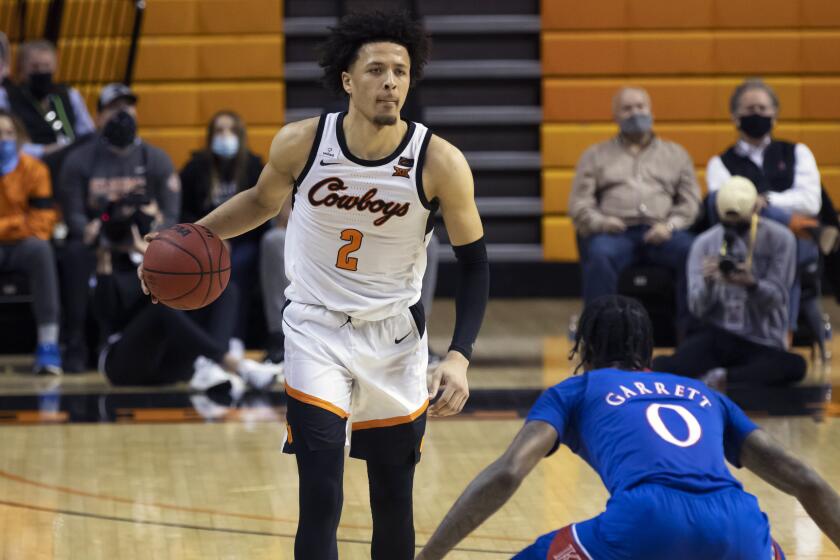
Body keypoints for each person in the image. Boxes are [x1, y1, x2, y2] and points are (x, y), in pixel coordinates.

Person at [140, 11, 489, 560]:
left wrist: (460, 357)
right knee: (321, 493)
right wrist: (185, 238)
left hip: (395, 339)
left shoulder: (440, 161)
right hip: (316, 331)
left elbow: (475, 264)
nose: (390, 82)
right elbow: (258, 203)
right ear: (348, 80)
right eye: (376, 69)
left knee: (394, 497)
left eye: (400, 70)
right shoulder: (303, 143)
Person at [416, 295, 840, 560]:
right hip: (741, 525)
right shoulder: (703, 393)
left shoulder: (577, 389)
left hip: (647, 519)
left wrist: (430, 556)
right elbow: (806, 481)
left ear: (585, 347)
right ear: (647, 349)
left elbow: (508, 472)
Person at [56, 83, 181, 372]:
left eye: (127, 107)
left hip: (143, 242)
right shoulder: (78, 160)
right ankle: (75, 342)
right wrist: (94, 228)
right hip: (98, 240)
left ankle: (153, 343)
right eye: (113, 109)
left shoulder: (157, 159)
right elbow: (73, 214)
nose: (122, 114)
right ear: (98, 117)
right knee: (74, 253)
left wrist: (150, 233)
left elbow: (171, 217)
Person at [93, 202, 281, 393]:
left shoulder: (169, 255)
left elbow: (203, 271)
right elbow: (106, 315)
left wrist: (146, 250)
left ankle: (211, 367)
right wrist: (104, 262)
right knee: (161, 310)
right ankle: (232, 363)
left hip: (172, 364)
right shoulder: (111, 261)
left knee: (225, 289)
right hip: (124, 363)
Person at [653, 176, 806, 389]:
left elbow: (778, 300)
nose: (733, 231)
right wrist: (709, 284)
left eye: (740, 226)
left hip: (762, 340)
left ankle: (724, 377)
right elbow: (696, 309)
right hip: (717, 336)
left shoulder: (781, 239)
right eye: (727, 225)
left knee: (795, 366)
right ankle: (730, 377)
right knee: (662, 365)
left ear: (756, 210)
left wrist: (751, 284)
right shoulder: (704, 243)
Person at [706, 78, 825, 349]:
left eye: (763, 108)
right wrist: (764, 206)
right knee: (786, 236)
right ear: (735, 117)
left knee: (787, 243)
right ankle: (800, 225)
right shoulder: (720, 163)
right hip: (742, 238)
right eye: (749, 109)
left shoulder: (797, 152)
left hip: (792, 244)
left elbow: (810, 201)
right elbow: (725, 206)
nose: (757, 114)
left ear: (774, 114)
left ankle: (783, 335)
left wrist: (766, 201)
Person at [569, 86, 700, 328]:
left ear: (652, 112)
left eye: (641, 107)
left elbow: (690, 202)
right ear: (615, 116)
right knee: (600, 255)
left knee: (692, 251)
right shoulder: (595, 155)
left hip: (663, 232)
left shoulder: (676, 154)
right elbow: (579, 204)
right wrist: (601, 222)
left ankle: (691, 336)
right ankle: (600, 337)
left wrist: (670, 226)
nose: (635, 113)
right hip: (616, 233)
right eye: (627, 109)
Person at [179, 110, 267, 356]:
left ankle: (234, 338)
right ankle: (209, 341)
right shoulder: (195, 168)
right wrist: (212, 240)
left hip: (244, 240)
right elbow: (184, 213)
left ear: (240, 135)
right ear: (210, 137)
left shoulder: (252, 166)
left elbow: (261, 211)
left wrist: (230, 238)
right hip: (202, 243)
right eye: (219, 130)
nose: (225, 135)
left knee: (236, 267)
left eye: (231, 130)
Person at [0, 108, 61, 374]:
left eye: (9, 133)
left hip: (23, 245)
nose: (4, 139)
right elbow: (28, 221)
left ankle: (48, 345)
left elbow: (42, 224)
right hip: (14, 236)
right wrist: (17, 223)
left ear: (19, 137)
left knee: (40, 249)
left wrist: (7, 226)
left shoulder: (35, 170)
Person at [6, 40, 95, 158]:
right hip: (31, 164)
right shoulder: (7, 96)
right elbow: (6, 142)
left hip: (69, 162)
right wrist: (43, 150)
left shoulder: (69, 94)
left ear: (55, 66)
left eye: (47, 66)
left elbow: (88, 133)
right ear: (22, 68)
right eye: (35, 67)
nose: (42, 71)